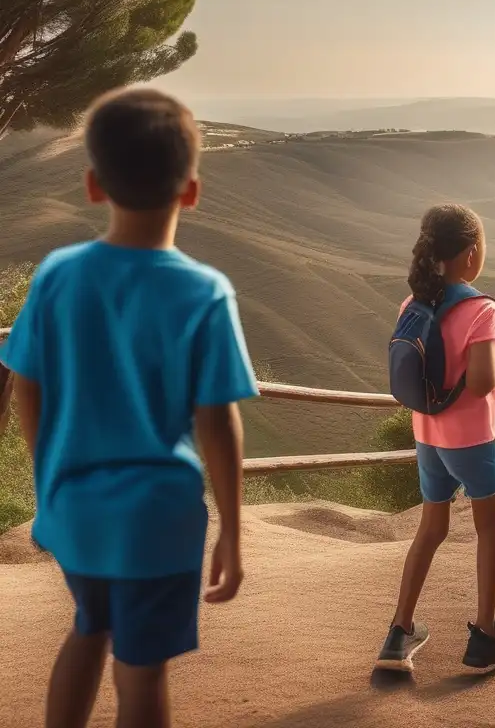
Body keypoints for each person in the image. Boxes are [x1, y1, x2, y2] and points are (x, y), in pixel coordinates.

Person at [0, 88, 259, 728]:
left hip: (77, 510)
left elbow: (24, 384)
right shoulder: (205, 292)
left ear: (92, 184)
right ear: (191, 191)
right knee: (142, 672)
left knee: (88, 629)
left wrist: (49, 477)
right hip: (157, 519)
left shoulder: (58, 274)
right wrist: (232, 525)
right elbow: (217, 421)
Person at [375, 204, 495, 673]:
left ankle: (400, 632)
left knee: (432, 528)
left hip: (428, 435)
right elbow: (481, 383)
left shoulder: (414, 304)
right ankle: (485, 635)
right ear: (472, 252)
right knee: (488, 526)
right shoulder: (483, 311)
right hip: (473, 438)